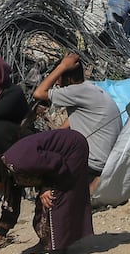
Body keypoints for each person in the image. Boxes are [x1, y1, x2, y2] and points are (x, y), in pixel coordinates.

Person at [0, 128, 95, 254]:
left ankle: (58, 253)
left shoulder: (20, 161)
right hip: (55, 164)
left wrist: (47, 187)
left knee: (55, 198)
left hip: (71, 149)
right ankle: (46, 243)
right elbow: (10, 208)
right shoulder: (7, 173)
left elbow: (56, 162)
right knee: (42, 205)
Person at [32, 52, 122, 193]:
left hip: (94, 163)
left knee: (49, 163)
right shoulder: (89, 88)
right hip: (108, 160)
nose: (57, 83)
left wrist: (62, 66)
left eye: (59, 79)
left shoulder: (75, 91)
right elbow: (75, 119)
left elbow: (39, 93)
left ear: (67, 78)